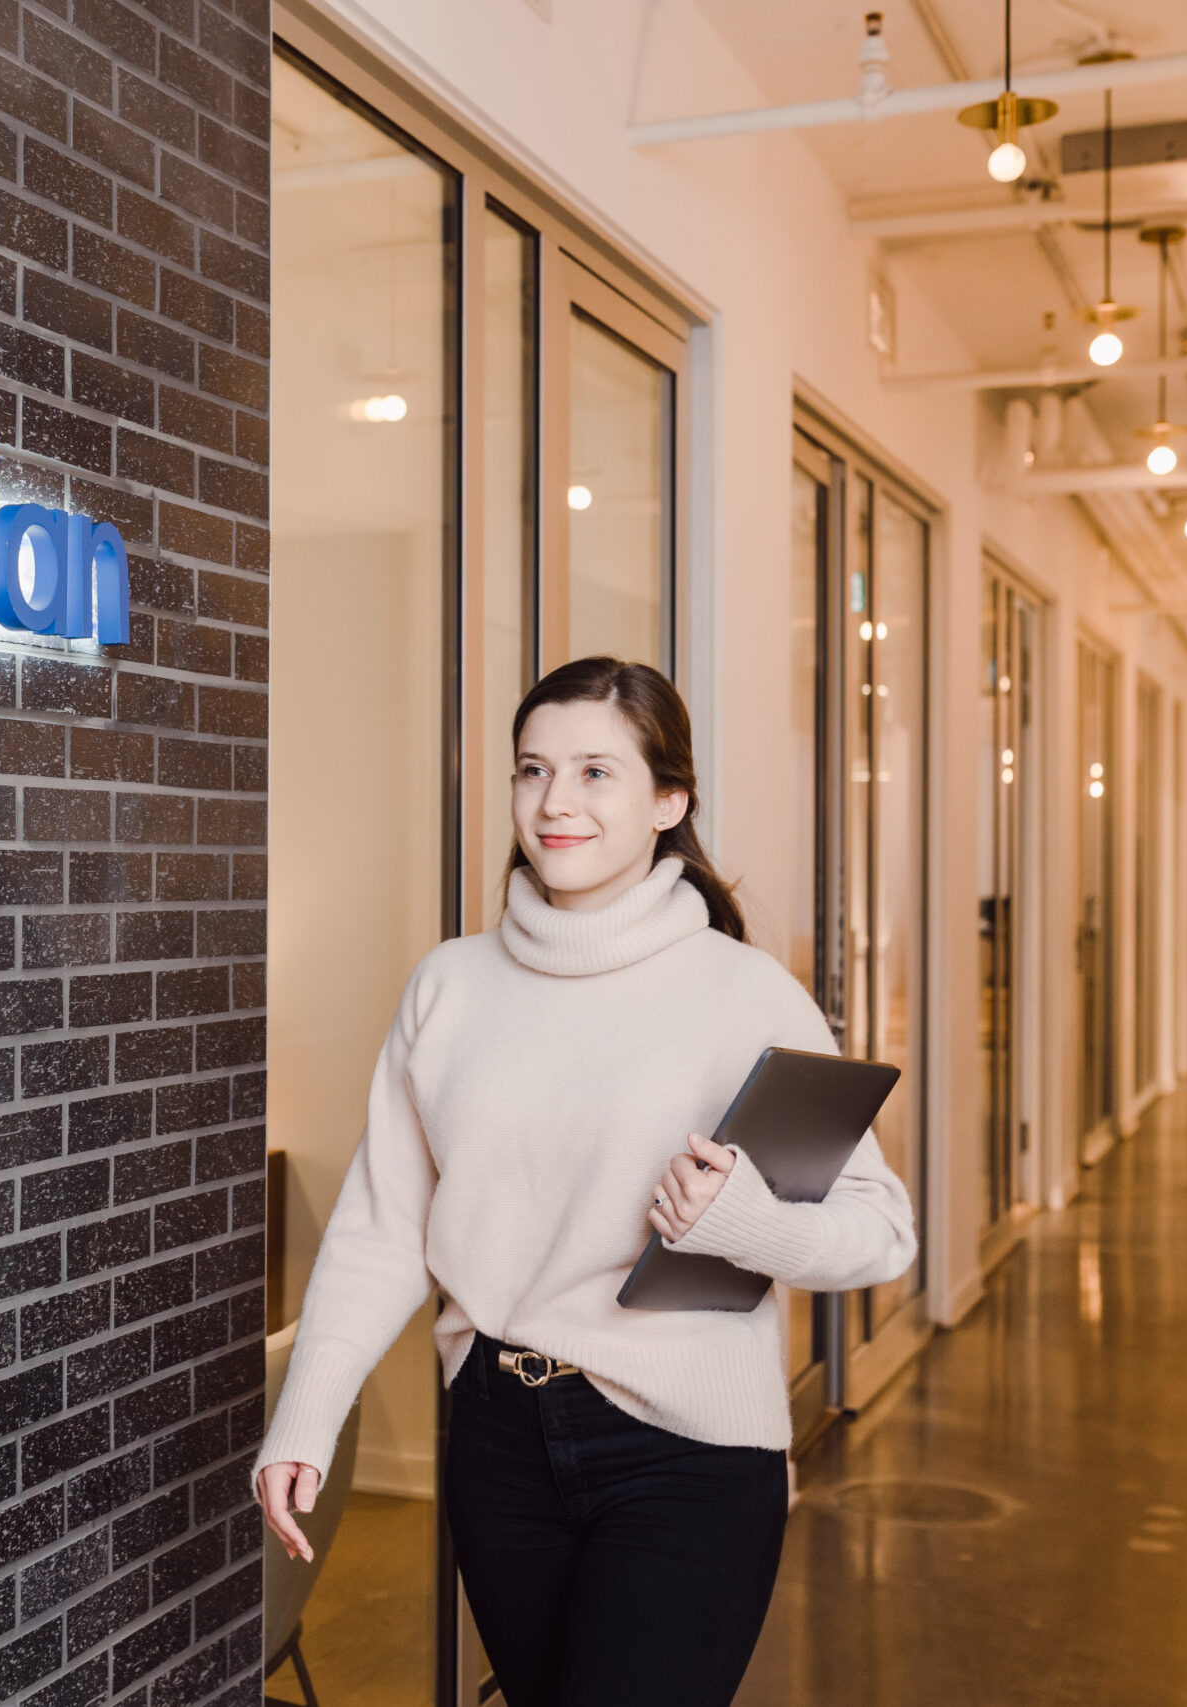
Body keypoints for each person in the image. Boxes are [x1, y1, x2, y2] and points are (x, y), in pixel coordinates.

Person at [254, 656, 917, 1707]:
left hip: (686, 1453)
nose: (555, 802)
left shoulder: (742, 992)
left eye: (596, 773)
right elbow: (383, 1234)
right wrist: (305, 1418)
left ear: (668, 801)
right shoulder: (450, 985)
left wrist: (746, 1221)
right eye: (531, 769)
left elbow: (882, 1233)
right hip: (497, 1439)